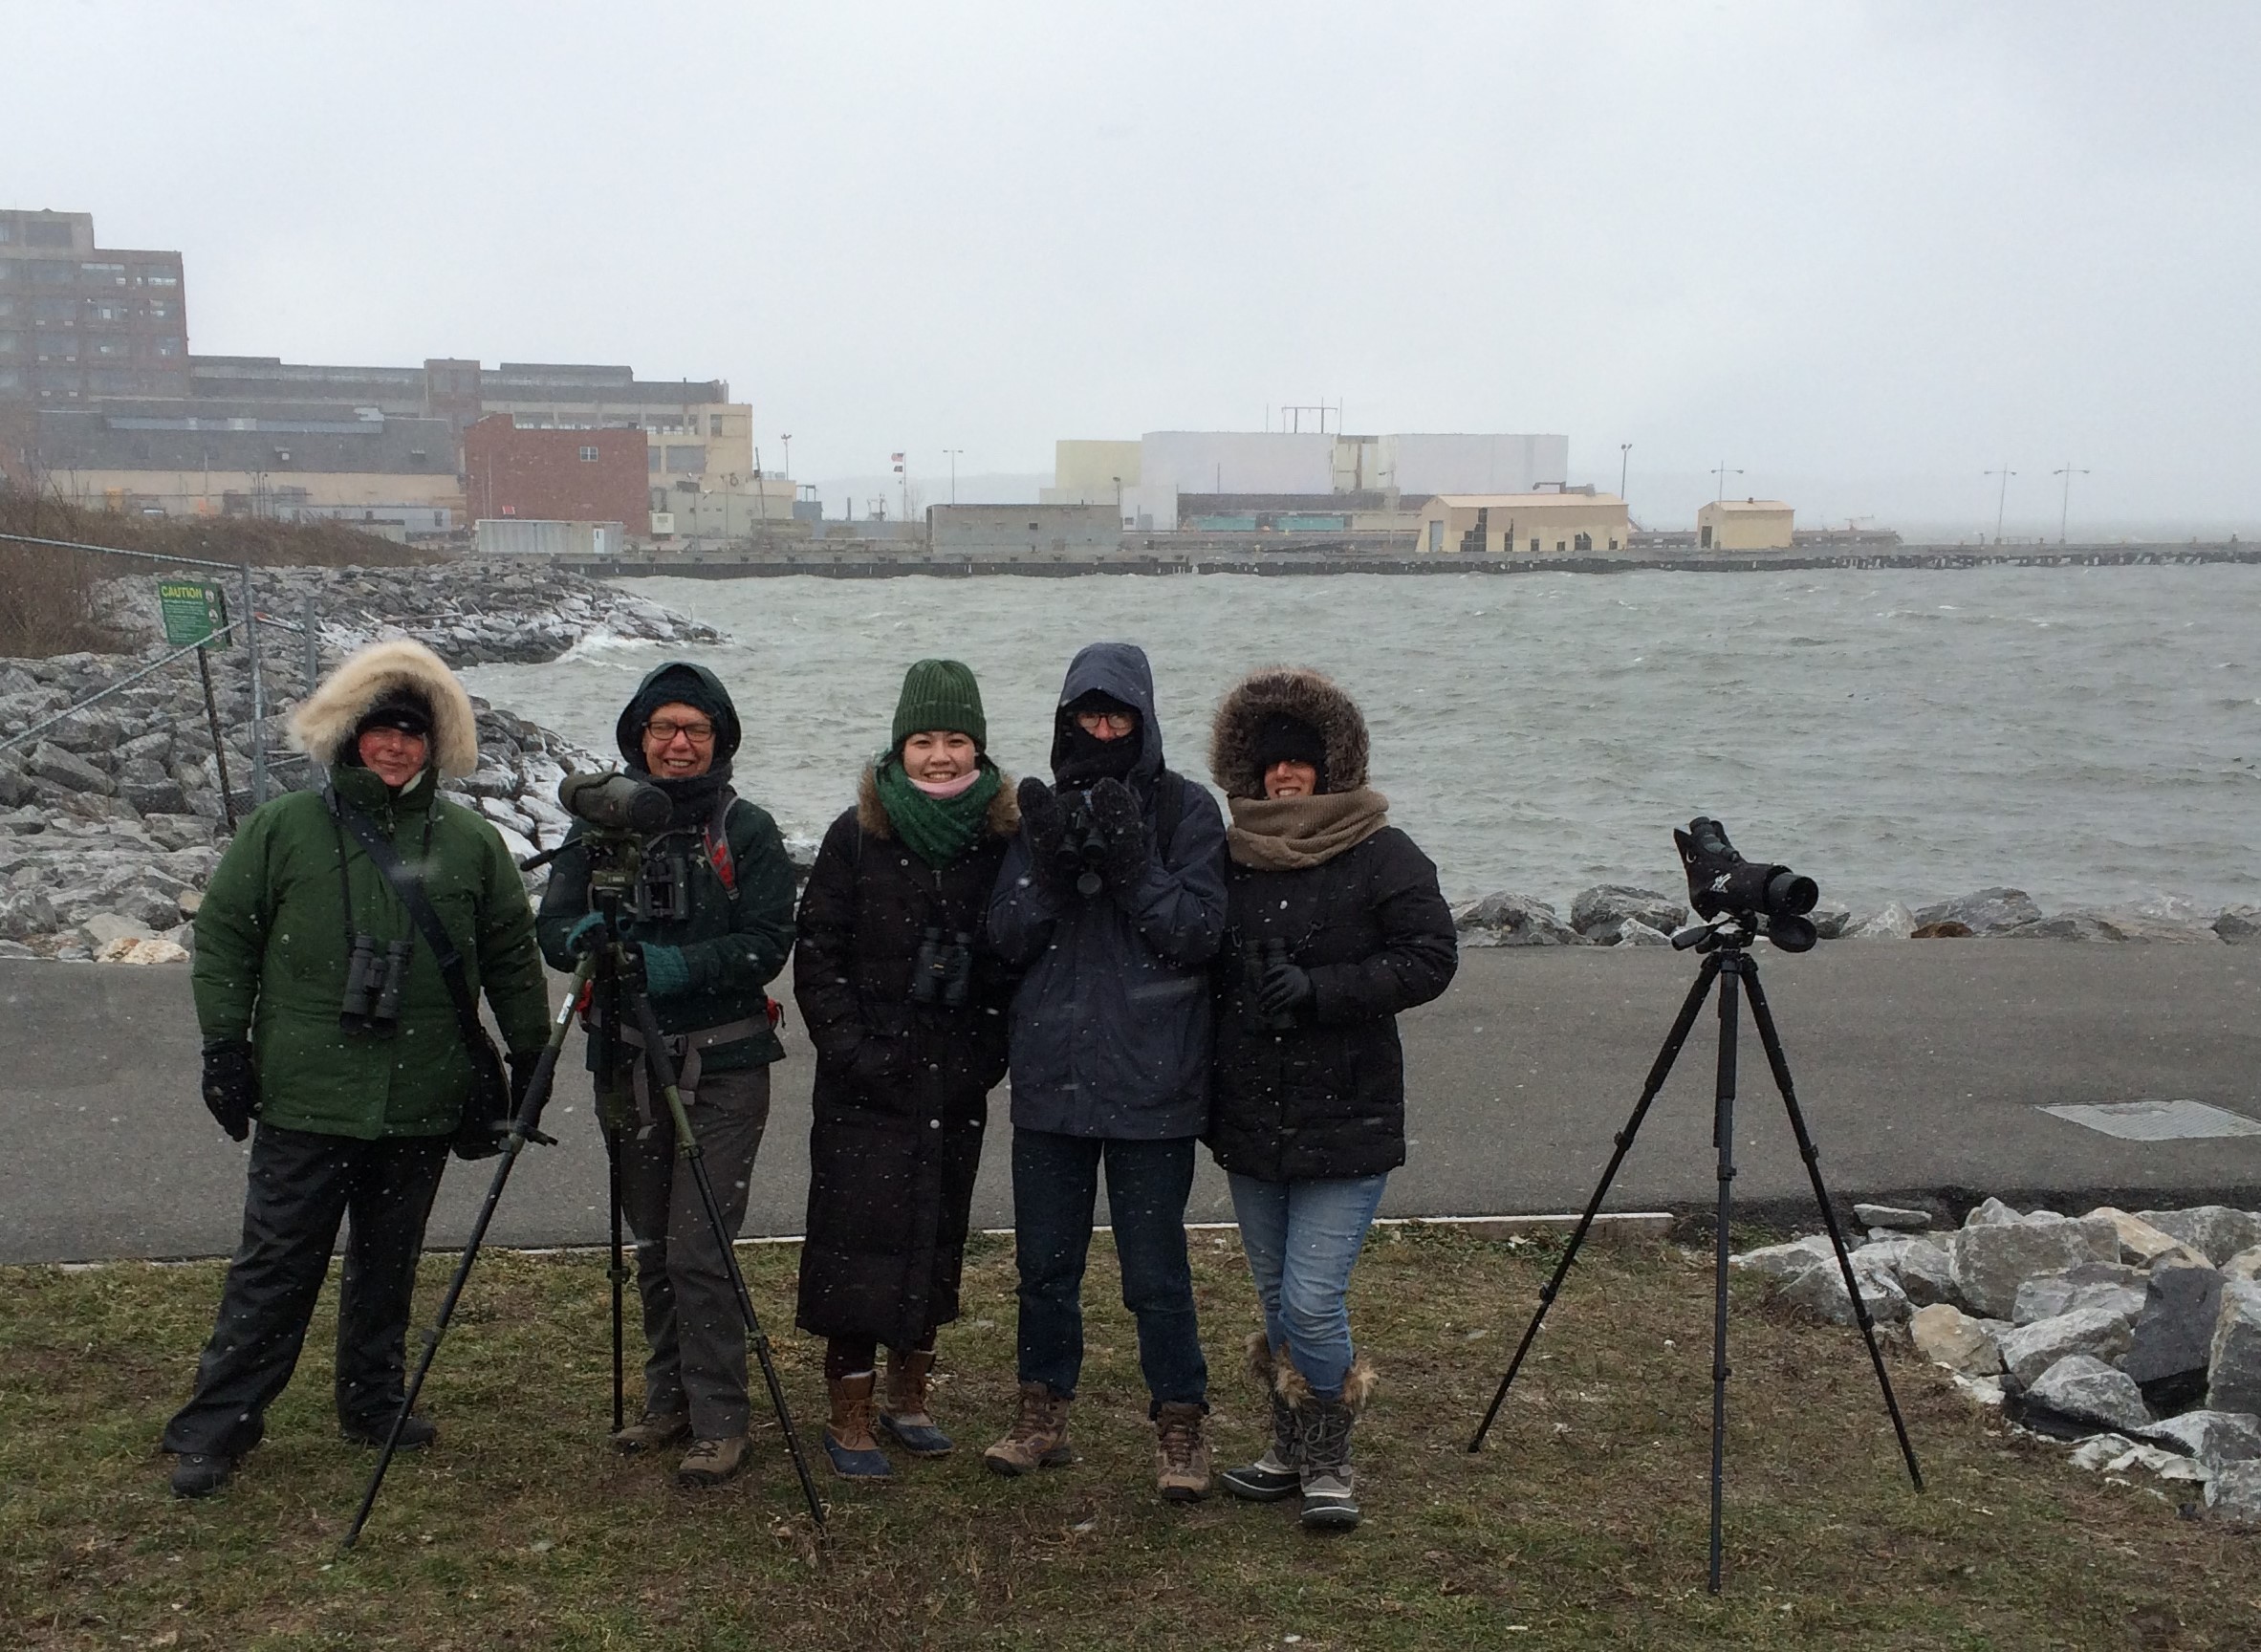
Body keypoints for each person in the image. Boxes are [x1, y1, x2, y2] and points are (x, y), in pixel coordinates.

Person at [163, 640, 552, 1499]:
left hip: (421, 1093)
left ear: (433, 744)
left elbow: (510, 955)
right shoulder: (282, 829)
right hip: (306, 1093)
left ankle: (371, 1402)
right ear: (348, 735)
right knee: (275, 1265)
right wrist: (224, 1048)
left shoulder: (469, 841)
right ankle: (216, 1427)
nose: (395, 747)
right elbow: (224, 938)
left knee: (388, 1262)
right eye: (380, 730)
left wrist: (533, 1055)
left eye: (412, 733)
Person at [1204, 666, 1457, 1530]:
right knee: (1277, 1299)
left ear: (1331, 764)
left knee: (1312, 1301)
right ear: (1247, 769)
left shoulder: (1382, 851)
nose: (1285, 774)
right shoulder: (1227, 857)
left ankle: (1328, 1460)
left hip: (1347, 1111)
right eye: (1270, 762)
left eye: (1300, 759)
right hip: (1249, 1112)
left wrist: (1322, 989)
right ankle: (1288, 1448)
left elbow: (1430, 957)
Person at [535, 662, 796, 1489]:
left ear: (719, 739)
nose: (679, 744)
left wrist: (670, 967)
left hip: (723, 1064)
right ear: (638, 737)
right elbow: (552, 931)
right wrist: (588, 938)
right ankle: (668, 1400)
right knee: (654, 1243)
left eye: (695, 729)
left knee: (698, 1247)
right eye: (663, 728)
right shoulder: (599, 827)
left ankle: (721, 1419)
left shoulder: (744, 830)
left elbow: (768, 943)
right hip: (624, 1061)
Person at [984, 641, 1229, 1500]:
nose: (1102, 728)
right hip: (1051, 1077)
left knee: (1154, 1274)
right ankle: (1041, 1411)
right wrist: (1050, 877)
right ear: (1065, 720)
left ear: (1143, 718)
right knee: (1044, 1268)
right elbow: (1004, 937)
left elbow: (1199, 932)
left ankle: (1180, 1423)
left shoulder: (1187, 810)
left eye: (1117, 715)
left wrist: (1134, 869)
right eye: (1088, 715)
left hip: (1151, 1077)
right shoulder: (1038, 813)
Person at [792, 660, 1020, 1479]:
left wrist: (980, 1057)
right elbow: (817, 955)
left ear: (977, 748)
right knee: (854, 1245)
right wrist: (855, 1052)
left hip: (952, 1080)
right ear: (898, 748)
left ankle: (908, 1396)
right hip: (863, 1083)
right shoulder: (857, 834)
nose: (940, 756)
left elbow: (1012, 963)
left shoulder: (1003, 839)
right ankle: (848, 1412)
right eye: (923, 740)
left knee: (934, 1232)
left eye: (956, 739)